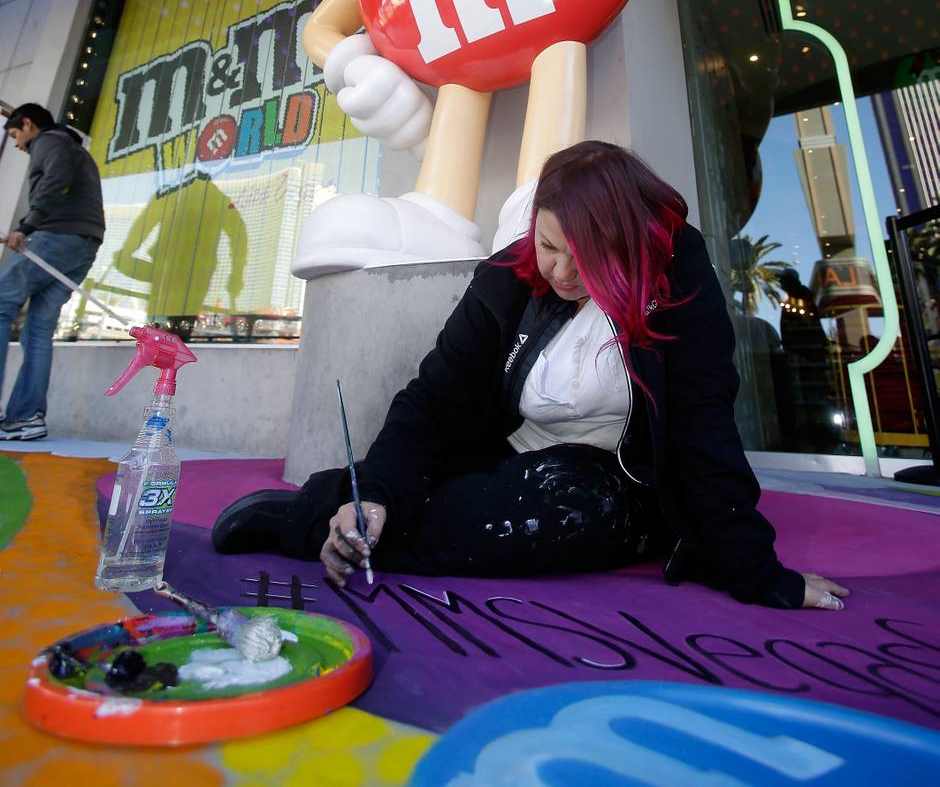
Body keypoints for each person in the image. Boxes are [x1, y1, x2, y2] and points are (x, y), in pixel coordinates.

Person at [213, 141, 849, 611]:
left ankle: (313, 515)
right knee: (422, 493)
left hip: (613, 479)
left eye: (588, 257)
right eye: (550, 246)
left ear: (630, 245)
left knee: (548, 517)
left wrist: (754, 568)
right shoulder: (506, 277)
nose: (562, 272)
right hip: (499, 457)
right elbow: (434, 400)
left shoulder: (677, 275)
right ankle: (345, 512)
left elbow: (703, 422)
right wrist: (375, 491)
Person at [0, 104, 104, 440]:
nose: (17, 145)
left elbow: (56, 178)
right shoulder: (74, 148)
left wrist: (27, 226)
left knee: (1, 304)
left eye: (16, 135)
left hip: (56, 237)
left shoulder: (49, 141)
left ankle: (25, 414)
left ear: (28, 125)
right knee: (37, 330)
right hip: (84, 245)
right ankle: (26, 419)